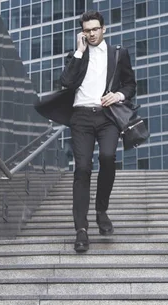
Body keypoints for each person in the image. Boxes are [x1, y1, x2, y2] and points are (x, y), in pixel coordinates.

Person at [58, 11, 136, 252]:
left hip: (107, 116)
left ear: (104, 29)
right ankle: (81, 228)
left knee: (107, 157)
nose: (91, 33)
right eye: (86, 30)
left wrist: (119, 95)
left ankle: (101, 210)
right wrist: (79, 52)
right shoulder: (76, 55)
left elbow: (130, 83)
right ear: (82, 32)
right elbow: (66, 82)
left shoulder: (118, 53)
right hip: (81, 117)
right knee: (82, 169)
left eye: (95, 29)